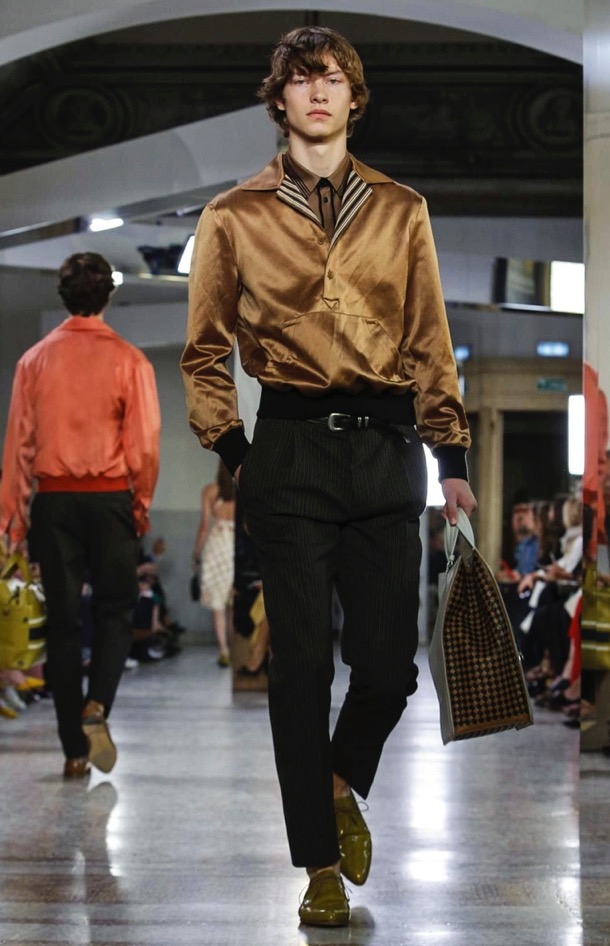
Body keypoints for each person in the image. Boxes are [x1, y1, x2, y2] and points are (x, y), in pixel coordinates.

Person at [181, 26, 476, 928]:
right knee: (300, 668)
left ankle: (340, 781)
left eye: (334, 78)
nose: (318, 91)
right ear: (280, 99)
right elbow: (203, 351)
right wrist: (237, 451)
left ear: (354, 97)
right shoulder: (233, 214)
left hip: (387, 453)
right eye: (303, 78)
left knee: (388, 668)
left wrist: (451, 459)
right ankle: (317, 866)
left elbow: (429, 336)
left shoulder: (402, 209)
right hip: (290, 451)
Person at [0, 252, 160, 778]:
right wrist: (139, 505)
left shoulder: (33, 361)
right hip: (111, 499)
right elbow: (144, 445)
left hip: (54, 503)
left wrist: (12, 521)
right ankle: (98, 706)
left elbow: (18, 447)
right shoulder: (130, 361)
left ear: (64, 295)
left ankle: (73, 750)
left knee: (63, 625)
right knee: (116, 611)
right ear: (108, 295)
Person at [192, 461, 236, 667]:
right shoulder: (243, 491)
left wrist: (196, 554)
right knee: (233, 603)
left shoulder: (209, 491)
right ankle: (236, 649)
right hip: (236, 546)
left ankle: (224, 650)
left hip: (217, 546)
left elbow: (204, 527)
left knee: (217, 605)